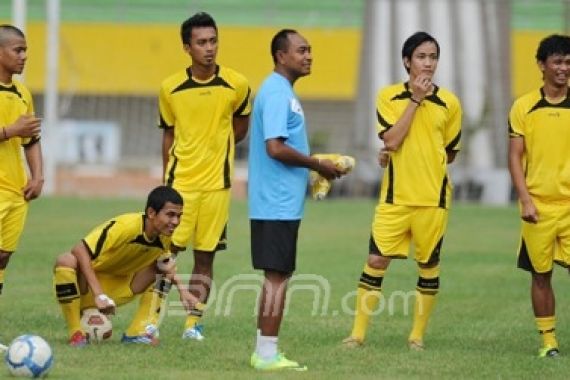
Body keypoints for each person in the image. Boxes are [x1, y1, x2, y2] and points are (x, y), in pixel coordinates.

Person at [342, 31, 462, 350]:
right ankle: (357, 335)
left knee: (428, 267)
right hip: (395, 199)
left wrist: (422, 157)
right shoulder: (389, 96)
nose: (428, 63)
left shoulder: (450, 102)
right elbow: (392, 140)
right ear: (407, 61)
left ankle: (416, 336)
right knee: (376, 261)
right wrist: (416, 101)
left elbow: (449, 152)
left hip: (433, 200)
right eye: (421, 57)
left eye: (433, 56)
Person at [248, 29, 344, 371]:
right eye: (301, 50)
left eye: (310, 50)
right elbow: (274, 147)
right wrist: (317, 164)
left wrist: (313, 164)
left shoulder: (282, 91)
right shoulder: (276, 91)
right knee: (277, 277)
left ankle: (264, 351)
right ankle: (267, 354)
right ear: (280, 55)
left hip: (278, 202)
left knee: (277, 275)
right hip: (274, 202)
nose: (308, 56)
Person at [158, 12, 251, 341]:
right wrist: (164, 181)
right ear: (187, 47)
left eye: (213, 41)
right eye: (201, 43)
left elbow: (240, 127)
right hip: (180, 186)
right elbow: (168, 135)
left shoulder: (236, 84)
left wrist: (217, 148)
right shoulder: (170, 88)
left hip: (217, 187)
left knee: (205, 258)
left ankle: (192, 325)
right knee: (164, 256)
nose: (209, 48)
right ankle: (150, 320)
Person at [53, 185, 199, 347]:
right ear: (151, 213)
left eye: (179, 216)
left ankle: (138, 332)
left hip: (119, 289)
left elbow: (166, 263)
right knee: (66, 260)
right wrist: (99, 295)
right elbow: (79, 249)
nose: (176, 222)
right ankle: (76, 333)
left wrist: (183, 290)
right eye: (170, 215)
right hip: (87, 287)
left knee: (162, 269)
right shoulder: (125, 226)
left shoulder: (164, 236)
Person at [508, 34, 570, 358]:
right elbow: (514, 158)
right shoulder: (524, 106)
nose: (564, 68)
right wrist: (526, 200)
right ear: (542, 65)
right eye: (558, 61)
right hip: (540, 207)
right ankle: (549, 343)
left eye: (568, 62)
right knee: (541, 274)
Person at [0, 25, 43, 296]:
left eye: (25, 50)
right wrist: (9, 131)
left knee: (3, 257)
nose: (24, 56)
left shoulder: (22, 93)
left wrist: (38, 176)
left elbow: (33, 139)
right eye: (18, 50)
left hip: (16, 191)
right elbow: (17, 131)